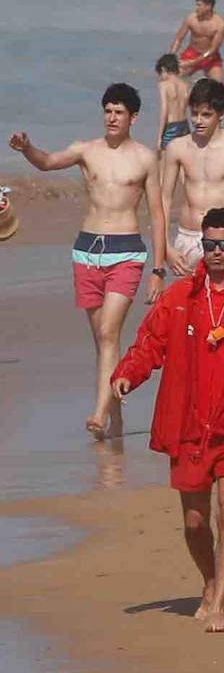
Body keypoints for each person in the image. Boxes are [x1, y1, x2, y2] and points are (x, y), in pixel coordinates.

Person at [110, 209, 224, 634]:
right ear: (202, 246)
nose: (217, 253)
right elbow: (149, 343)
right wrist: (127, 374)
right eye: (210, 244)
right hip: (189, 424)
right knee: (195, 521)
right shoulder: (180, 297)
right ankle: (210, 581)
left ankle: (220, 606)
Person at [9, 84, 168, 439]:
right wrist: (27, 148)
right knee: (102, 339)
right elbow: (48, 163)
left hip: (127, 251)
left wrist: (158, 269)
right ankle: (115, 411)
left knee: (110, 332)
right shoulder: (87, 150)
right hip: (86, 252)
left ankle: (98, 412)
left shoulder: (145, 158)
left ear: (133, 117)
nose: (112, 117)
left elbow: (157, 214)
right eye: (108, 110)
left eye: (119, 112)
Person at [162, 79, 224, 275]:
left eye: (206, 115)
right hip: (188, 236)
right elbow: (164, 199)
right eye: (194, 113)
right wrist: (165, 246)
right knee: (188, 302)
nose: (198, 121)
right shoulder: (177, 147)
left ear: (222, 114)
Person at [169, 0, 224, 82]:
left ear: (208, 6)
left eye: (199, 5)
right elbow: (178, 39)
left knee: (218, 85)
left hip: (210, 57)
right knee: (172, 77)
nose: (196, 8)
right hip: (192, 53)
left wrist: (191, 63)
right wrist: (170, 57)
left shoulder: (220, 24)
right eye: (196, 5)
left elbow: (212, 50)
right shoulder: (191, 18)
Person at [154, 53, 190, 161]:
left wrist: (159, 138)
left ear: (163, 69)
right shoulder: (185, 85)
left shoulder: (164, 85)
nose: (160, 78)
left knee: (164, 165)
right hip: (185, 126)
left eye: (160, 74)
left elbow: (164, 111)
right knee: (182, 166)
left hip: (171, 128)